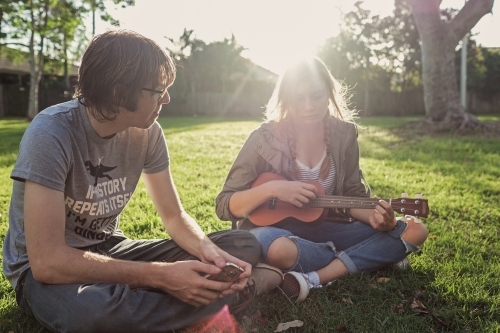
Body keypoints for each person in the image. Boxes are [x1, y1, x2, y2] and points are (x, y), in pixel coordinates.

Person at [3, 30, 283, 333]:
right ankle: (217, 297)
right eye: (158, 89)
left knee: (239, 244)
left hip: (110, 248)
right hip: (45, 273)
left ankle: (157, 298)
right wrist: (160, 276)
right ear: (119, 92)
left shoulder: (148, 133)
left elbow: (174, 216)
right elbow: (48, 261)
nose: (167, 98)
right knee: (92, 314)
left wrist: (208, 253)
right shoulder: (51, 133)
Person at [215, 56, 429, 302]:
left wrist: (380, 220)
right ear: (286, 98)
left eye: (316, 96)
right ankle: (370, 256)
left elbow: (352, 198)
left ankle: (315, 277)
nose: (308, 106)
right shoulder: (263, 138)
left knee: (415, 230)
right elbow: (224, 204)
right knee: (277, 250)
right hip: (275, 234)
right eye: (299, 98)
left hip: (331, 228)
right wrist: (274, 189)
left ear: (329, 93)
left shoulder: (344, 134)